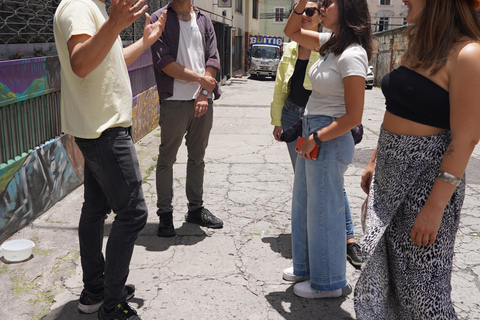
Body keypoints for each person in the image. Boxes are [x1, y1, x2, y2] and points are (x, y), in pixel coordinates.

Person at [354, 0, 480, 318]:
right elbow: (397, 107)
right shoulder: (419, 45)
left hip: (426, 187)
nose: (403, 0)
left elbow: (466, 138)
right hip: (388, 182)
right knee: (383, 281)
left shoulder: (468, 54)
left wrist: (435, 207)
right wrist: (374, 161)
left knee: (424, 296)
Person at [53, 0, 166, 319]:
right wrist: (115, 23)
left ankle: (95, 290)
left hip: (97, 127)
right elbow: (81, 63)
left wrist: (144, 42)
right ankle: (112, 305)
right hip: (104, 130)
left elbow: (109, 60)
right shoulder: (78, 6)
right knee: (133, 213)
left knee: (94, 209)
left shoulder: (91, 8)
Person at [282, 0, 373, 298]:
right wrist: (301, 4)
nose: (321, 7)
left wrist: (317, 137)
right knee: (305, 205)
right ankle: (307, 267)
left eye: (328, 2)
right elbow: (291, 30)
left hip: (329, 136)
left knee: (325, 211)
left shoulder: (352, 54)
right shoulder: (331, 44)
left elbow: (354, 115)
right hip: (313, 128)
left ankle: (329, 282)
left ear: (348, 8)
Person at [150, 0, 223, 238]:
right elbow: (165, 63)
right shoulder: (158, 18)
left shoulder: (203, 19)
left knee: (197, 158)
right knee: (167, 159)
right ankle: (165, 214)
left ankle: (195, 209)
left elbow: (213, 58)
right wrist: (200, 80)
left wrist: (203, 93)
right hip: (174, 101)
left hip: (201, 101)